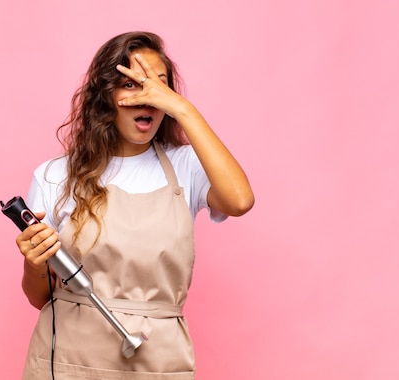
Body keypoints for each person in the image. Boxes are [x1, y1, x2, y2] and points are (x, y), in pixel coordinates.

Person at [14, 31, 254, 380]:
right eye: (132, 85)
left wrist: (182, 107)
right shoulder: (56, 175)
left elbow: (240, 200)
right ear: (105, 96)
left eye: (158, 86)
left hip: (157, 359)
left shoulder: (188, 165)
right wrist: (33, 262)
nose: (148, 96)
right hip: (69, 358)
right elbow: (40, 298)